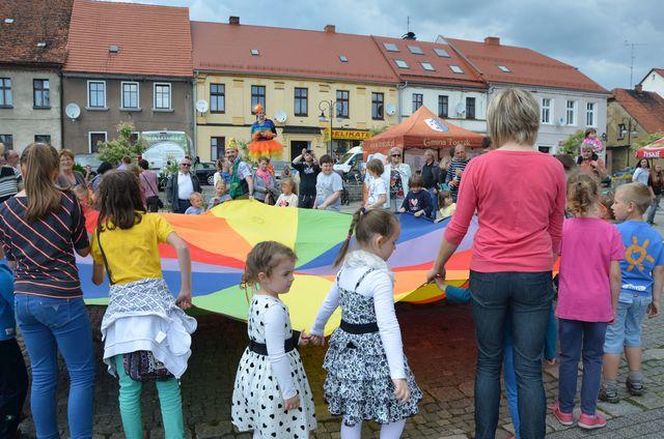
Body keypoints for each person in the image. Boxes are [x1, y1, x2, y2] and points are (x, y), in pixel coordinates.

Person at [426, 89, 566, 439]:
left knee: (488, 364)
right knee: (529, 371)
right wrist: (539, 263)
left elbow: (457, 227)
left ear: (496, 121)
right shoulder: (552, 167)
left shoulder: (478, 165)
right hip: (534, 274)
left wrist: (437, 265)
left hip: (488, 273)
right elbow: (556, 231)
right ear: (532, 120)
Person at [91, 170, 196, 439]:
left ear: (106, 199)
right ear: (136, 193)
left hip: (122, 320)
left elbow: (97, 277)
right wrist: (185, 289)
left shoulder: (101, 232)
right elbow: (182, 248)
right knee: (168, 384)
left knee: (128, 388)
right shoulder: (152, 221)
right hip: (156, 315)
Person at [0, 143, 94, 438]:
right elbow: (83, 248)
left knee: (42, 374)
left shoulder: (5, 209)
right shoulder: (67, 203)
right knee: (81, 375)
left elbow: (10, 257)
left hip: (24, 299)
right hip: (61, 297)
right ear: (55, 170)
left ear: (24, 168)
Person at [309, 208, 422, 438]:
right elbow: (388, 326)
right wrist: (397, 373)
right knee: (396, 409)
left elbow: (328, 304)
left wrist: (317, 329)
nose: (395, 247)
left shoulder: (346, 269)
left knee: (353, 413)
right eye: (394, 242)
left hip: (347, 354)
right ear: (380, 241)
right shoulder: (379, 277)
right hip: (375, 356)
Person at [548, 173, 623, 429]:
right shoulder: (610, 231)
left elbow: (550, 258)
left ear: (569, 199)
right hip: (599, 306)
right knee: (593, 359)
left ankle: (566, 410)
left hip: (569, 305)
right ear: (597, 197)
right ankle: (589, 414)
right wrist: (612, 307)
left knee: (568, 358)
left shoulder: (564, 229)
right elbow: (615, 275)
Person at [231, 241, 317, 438]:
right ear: (264, 277)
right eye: (286, 274)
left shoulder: (258, 298)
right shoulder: (275, 309)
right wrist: (289, 392)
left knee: (266, 426)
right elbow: (276, 353)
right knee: (282, 428)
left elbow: (265, 336)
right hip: (275, 379)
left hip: (256, 372)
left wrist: (294, 339)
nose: (292, 278)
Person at [600, 182, 664, 404]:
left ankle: (609, 387)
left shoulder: (614, 231)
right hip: (642, 295)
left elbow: (608, 268)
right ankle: (636, 380)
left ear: (630, 206)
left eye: (616, 202)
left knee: (612, 338)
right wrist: (656, 299)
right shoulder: (656, 236)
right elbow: (659, 270)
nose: (612, 206)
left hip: (620, 295)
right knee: (634, 336)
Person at [0, 249, 29, 438]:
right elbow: (19, 300)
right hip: (3, 340)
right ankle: (7, 431)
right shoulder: (2, 275)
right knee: (16, 385)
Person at [385, 147, 412, 213]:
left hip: (402, 195)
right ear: (390, 157)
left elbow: (410, 181)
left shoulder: (406, 167)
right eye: (394, 155)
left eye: (398, 155)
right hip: (390, 196)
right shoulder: (385, 168)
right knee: (391, 216)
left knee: (402, 215)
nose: (397, 156)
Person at [420, 149, 440, 214]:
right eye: (425, 155)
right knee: (426, 207)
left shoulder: (436, 166)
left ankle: (434, 221)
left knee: (433, 207)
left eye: (427, 155)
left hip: (432, 189)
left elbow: (440, 178)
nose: (425, 157)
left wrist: (437, 188)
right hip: (424, 189)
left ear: (431, 156)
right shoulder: (424, 166)